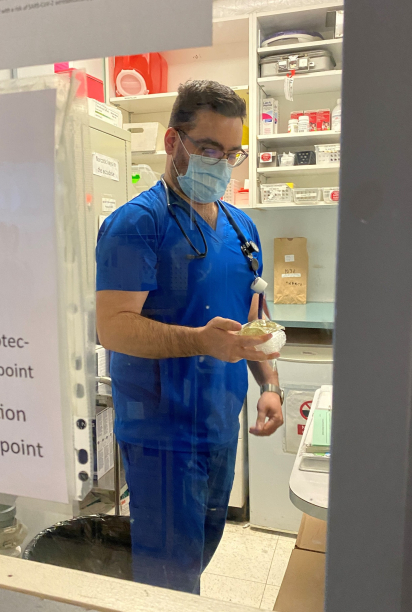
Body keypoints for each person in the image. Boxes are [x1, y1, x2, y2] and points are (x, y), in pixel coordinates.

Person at [96, 80, 284, 594]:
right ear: (172, 141)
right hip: (161, 433)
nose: (220, 163)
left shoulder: (242, 227)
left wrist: (269, 382)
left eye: (231, 153)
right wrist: (200, 341)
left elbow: (252, 316)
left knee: (201, 548)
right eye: (207, 149)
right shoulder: (136, 225)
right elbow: (112, 325)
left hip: (221, 421)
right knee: (167, 577)